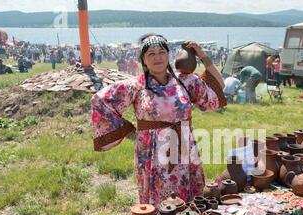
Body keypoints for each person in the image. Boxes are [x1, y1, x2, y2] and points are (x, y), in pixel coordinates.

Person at [91, 34, 225, 204]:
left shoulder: (185, 81)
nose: (157, 57)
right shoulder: (135, 85)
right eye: (151, 54)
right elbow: (100, 100)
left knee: (187, 199)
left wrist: (202, 56)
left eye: (161, 52)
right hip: (151, 152)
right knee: (158, 203)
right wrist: (127, 129)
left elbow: (219, 87)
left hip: (183, 148)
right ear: (144, 60)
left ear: (168, 55)